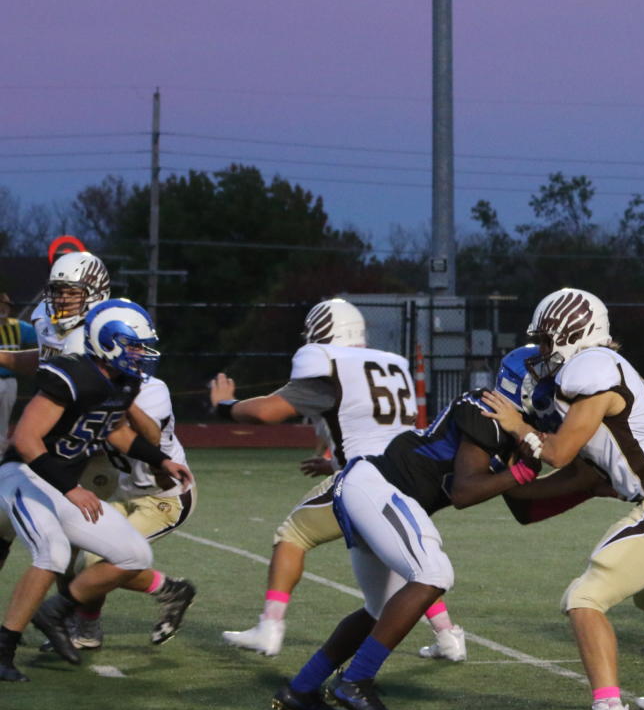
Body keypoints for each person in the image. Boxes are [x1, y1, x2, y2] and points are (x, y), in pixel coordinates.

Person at [272, 358, 567, 710]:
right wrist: (521, 471)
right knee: (434, 573)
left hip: (372, 488)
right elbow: (463, 491)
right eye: (548, 382)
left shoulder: (508, 429)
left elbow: (521, 508)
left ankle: (302, 688)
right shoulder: (487, 412)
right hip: (382, 487)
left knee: (380, 609)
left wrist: (581, 484)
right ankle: (355, 681)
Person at [484, 288, 644, 710]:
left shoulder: (589, 367)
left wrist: (518, 427)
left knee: (584, 598)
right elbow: (586, 474)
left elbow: (559, 452)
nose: (545, 353)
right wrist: (518, 489)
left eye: (548, 341)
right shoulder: (606, 371)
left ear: (574, 334)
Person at [211, 298, 464, 661]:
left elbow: (268, 412)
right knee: (406, 560)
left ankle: (270, 626)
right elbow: (379, 432)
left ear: (323, 331)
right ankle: (448, 636)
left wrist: (225, 405)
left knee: (292, 535)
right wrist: (332, 464)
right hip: (407, 477)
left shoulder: (332, 367)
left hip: (366, 481)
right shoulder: (389, 365)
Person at [0, 301, 192, 681]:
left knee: (134, 553)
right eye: (135, 345)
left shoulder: (123, 382)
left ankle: (55, 610)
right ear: (109, 343)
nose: (143, 354)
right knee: (52, 551)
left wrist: (160, 459)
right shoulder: (73, 374)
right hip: (22, 475)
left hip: (59, 483)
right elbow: (24, 438)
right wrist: (72, 488)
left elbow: (116, 431)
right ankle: (4, 647)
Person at [0, 292, 38, 445]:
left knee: (5, 418)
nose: (2, 309)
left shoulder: (18, 327)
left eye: (5, 306)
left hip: (10, 380)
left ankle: (1, 451)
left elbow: (41, 336)